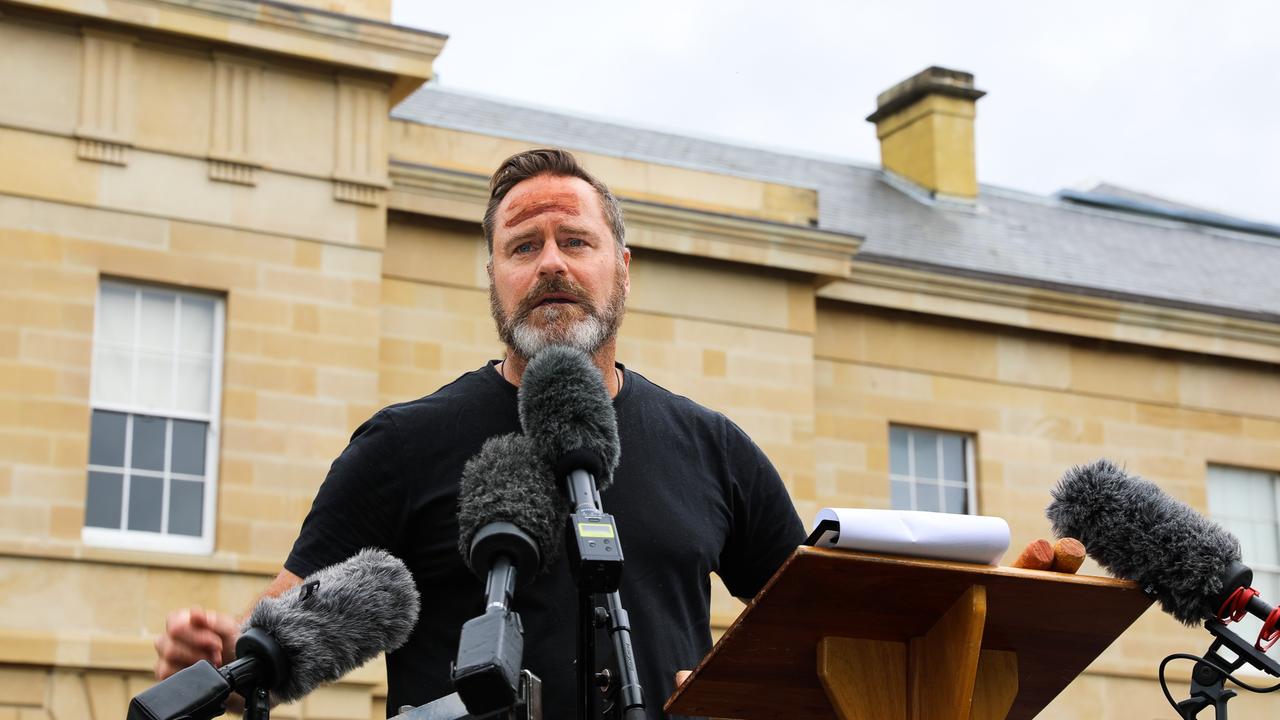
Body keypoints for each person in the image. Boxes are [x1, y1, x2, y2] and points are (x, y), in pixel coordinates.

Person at [154, 148, 807, 718]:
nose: (551, 263)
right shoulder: (404, 445)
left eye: (575, 241)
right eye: (523, 246)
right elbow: (263, 658)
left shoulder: (713, 449)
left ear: (624, 267)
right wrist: (219, 662)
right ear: (494, 277)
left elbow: (824, 634)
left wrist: (748, 694)